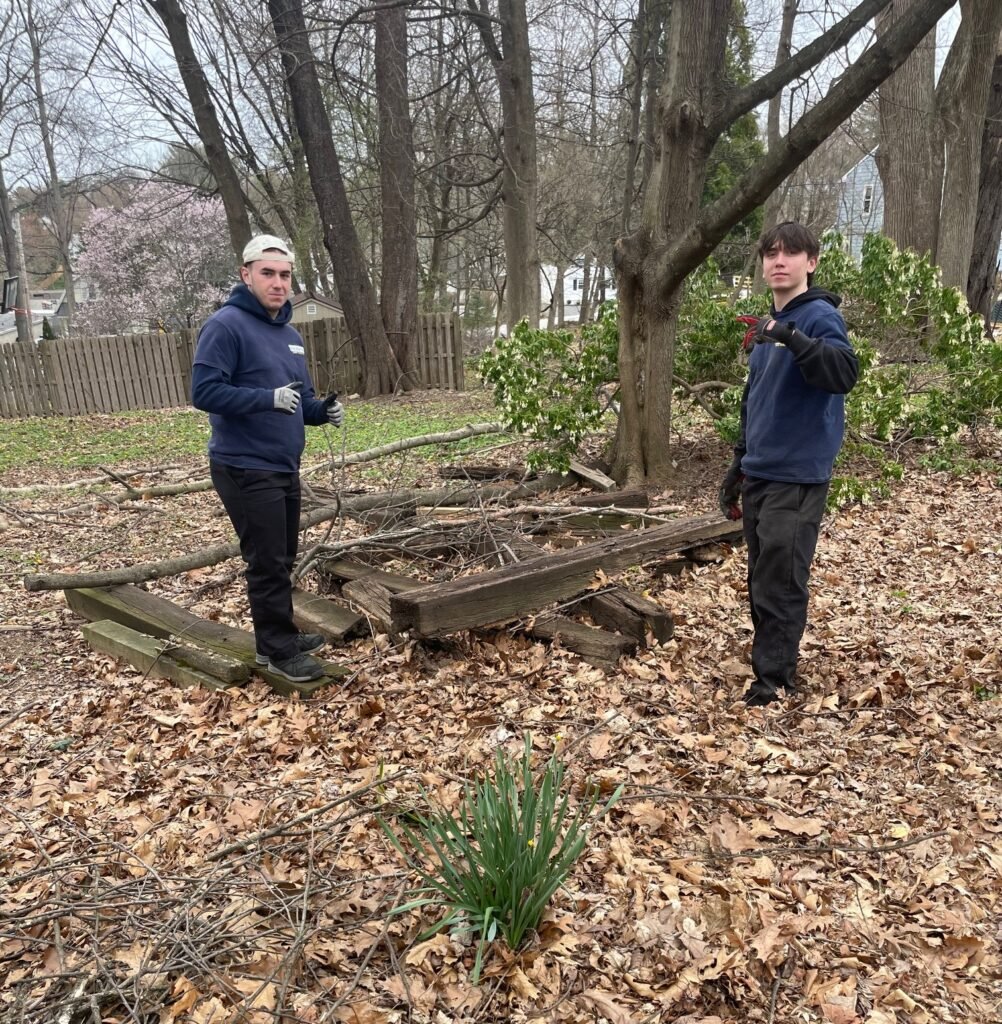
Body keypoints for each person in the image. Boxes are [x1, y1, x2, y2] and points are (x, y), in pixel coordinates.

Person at [191, 235, 345, 683]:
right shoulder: (226, 325)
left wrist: (322, 411)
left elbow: (300, 400)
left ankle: (280, 634)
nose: (278, 283)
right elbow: (203, 392)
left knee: (283, 555)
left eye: (285, 275)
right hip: (243, 464)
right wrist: (265, 398)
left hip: (283, 464)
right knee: (266, 559)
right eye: (268, 273)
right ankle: (275, 651)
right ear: (246, 274)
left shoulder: (291, 336)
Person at [720, 222, 859, 707]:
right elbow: (754, 401)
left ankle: (774, 680)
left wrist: (792, 337)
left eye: (792, 253)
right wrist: (738, 465)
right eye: (772, 253)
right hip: (761, 471)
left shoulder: (819, 317)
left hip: (797, 475)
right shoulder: (765, 327)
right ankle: (771, 664)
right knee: (763, 576)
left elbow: (844, 372)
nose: (780, 260)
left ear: (811, 262)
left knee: (781, 580)